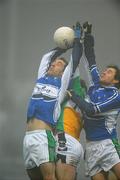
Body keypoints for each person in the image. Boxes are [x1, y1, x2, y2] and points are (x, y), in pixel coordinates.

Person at [23, 24, 84, 180]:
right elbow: (46, 57)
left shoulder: (62, 86)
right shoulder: (42, 78)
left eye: (59, 64)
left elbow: (75, 60)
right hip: (28, 137)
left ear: (63, 72)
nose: (53, 64)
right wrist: (62, 47)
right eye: (54, 62)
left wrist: (76, 40)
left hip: (44, 136)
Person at [67, 22, 120, 180]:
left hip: (108, 143)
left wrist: (73, 95)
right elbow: (91, 58)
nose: (104, 71)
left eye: (109, 72)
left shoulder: (116, 96)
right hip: (90, 146)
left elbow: (90, 109)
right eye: (105, 70)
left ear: (116, 81)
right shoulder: (96, 83)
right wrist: (86, 35)